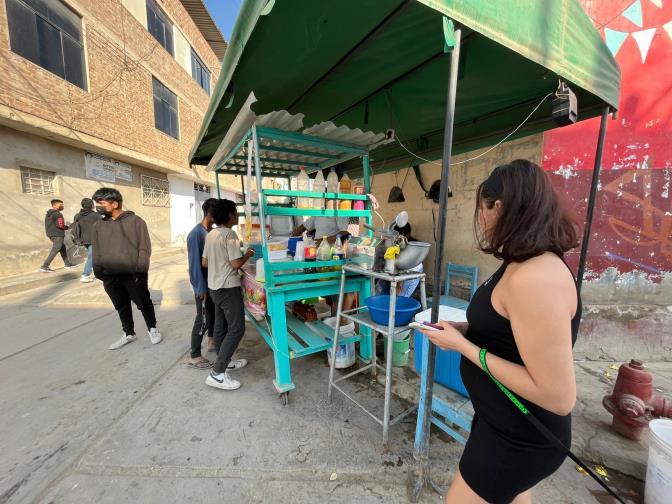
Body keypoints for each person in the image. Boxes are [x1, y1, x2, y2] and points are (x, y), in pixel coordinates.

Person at [419, 160, 581, 504]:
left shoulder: (535, 278)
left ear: (499, 207)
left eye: (483, 208)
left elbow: (558, 397)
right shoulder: (521, 261)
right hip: (500, 419)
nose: (481, 219)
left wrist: (464, 347)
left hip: (519, 437)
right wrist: (466, 330)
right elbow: (510, 333)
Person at [91, 187, 162, 350]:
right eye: (97, 204)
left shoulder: (136, 222)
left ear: (115, 204)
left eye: (102, 203)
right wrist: (99, 272)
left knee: (143, 303)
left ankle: (153, 329)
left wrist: (140, 271)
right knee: (121, 305)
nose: (98, 207)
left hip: (133, 275)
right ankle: (128, 332)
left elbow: (144, 248)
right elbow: (96, 250)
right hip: (109, 276)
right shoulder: (98, 225)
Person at [202, 199, 254, 391]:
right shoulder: (230, 234)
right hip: (228, 287)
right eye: (236, 212)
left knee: (220, 326)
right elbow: (235, 264)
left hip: (214, 287)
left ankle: (225, 361)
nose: (237, 215)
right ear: (230, 215)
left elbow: (205, 262)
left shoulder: (211, 234)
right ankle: (217, 373)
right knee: (237, 328)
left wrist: (220, 262)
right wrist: (248, 254)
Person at [186, 198, 217, 369]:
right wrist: (200, 287)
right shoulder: (196, 234)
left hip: (211, 283)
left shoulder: (210, 231)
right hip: (203, 285)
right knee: (202, 319)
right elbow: (194, 264)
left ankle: (211, 341)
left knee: (212, 314)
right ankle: (195, 356)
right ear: (211, 214)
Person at [376, 222, 423, 297]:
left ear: (407, 234)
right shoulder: (389, 243)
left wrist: (398, 286)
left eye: (400, 236)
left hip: (409, 273)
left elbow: (401, 271)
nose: (396, 239)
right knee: (378, 294)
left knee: (398, 299)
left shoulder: (411, 247)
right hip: (391, 271)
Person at [40, 199, 75, 273]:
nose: (62, 206)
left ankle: (67, 264)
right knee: (56, 249)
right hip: (57, 234)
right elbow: (60, 225)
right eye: (60, 205)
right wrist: (67, 227)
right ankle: (45, 266)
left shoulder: (49, 214)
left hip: (51, 234)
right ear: (54, 205)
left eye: (62, 204)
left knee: (62, 248)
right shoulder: (58, 214)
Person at [72, 198, 102, 283]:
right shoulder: (96, 215)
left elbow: (75, 228)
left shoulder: (77, 216)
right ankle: (85, 275)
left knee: (95, 256)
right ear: (91, 205)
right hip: (95, 239)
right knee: (91, 256)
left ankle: (100, 271)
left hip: (84, 240)